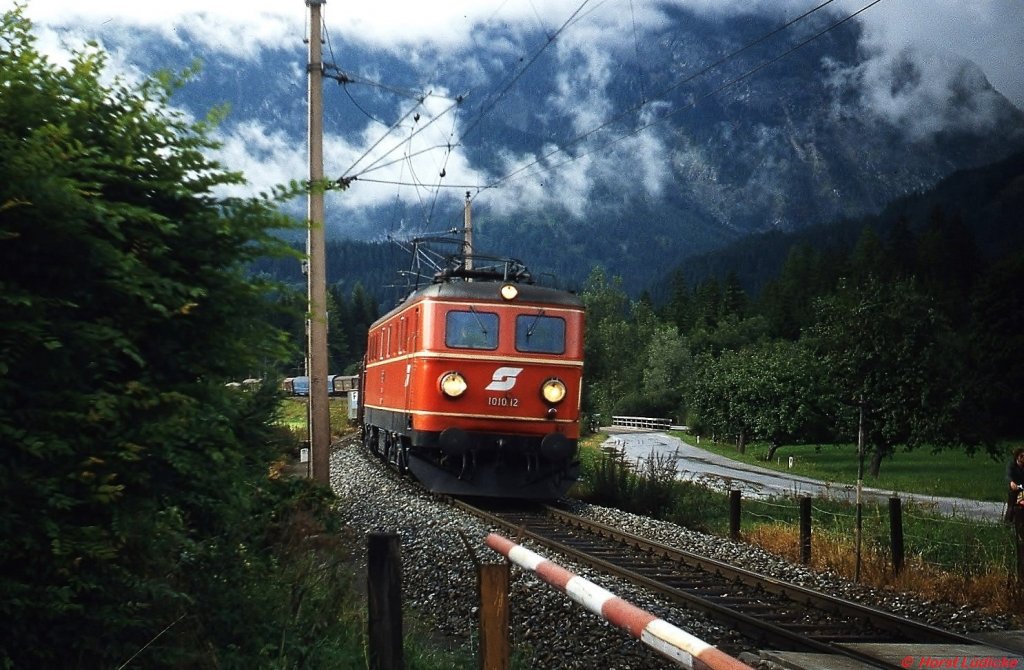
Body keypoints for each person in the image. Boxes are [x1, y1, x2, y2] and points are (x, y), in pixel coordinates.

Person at [1006, 448, 1024, 523]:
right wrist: (1011, 482)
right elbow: (1008, 476)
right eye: (1021, 456)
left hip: (1023, 488)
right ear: (1017, 457)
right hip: (1014, 488)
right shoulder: (1012, 465)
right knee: (1011, 506)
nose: (1023, 458)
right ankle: (1007, 523)